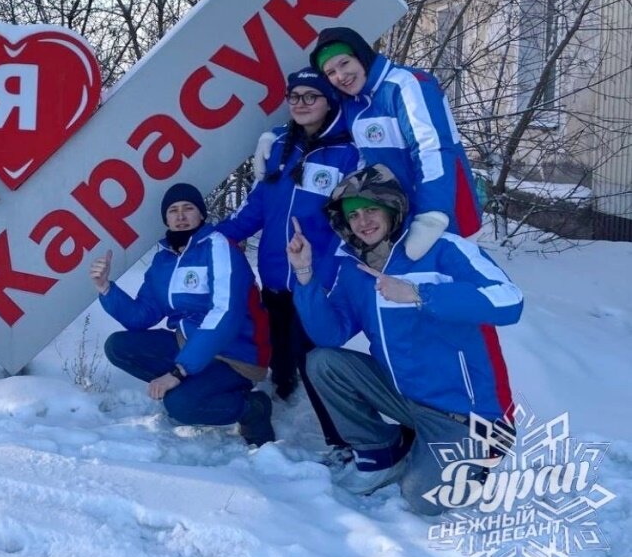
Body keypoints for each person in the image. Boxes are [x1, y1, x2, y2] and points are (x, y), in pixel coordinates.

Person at [287, 164, 522, 514]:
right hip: (406, 400)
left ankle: (476, 457)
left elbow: (510, 301)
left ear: (391, 208)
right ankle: (382, 451)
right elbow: (329, 334)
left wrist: (419, 294)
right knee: (321, 362)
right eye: (353, 215)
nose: (363, 221)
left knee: (421, 499)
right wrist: (304, 274)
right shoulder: (356, 268)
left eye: (371, 209)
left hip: (467, 414)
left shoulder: (443, 248)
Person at [217, 67, 359, 462]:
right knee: (280, 343)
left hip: (317, 277)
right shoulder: (280, 145)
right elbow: (258, 206)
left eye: (309, 96)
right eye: (293, 97)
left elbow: (357, 222)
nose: (300, 104)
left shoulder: (350, 151)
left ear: (329, 100)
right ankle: (282, 392)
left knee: (314, 358)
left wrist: (327, 273)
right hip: (275, 273)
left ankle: (342, 441)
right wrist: (215, 236)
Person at [89, 183, 274, 446]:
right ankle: (197, 384)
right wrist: (106, 288)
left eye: (189, 208)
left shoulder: (219, 248)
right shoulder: (164, 259)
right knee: (119, 347)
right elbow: (141, 315)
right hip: (189, 344)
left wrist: (178, 372)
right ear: (166, 218)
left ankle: (251, 407)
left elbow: (226, 315)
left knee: (180, 406)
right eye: (173, 210)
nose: (181, 216)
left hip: (236, 355)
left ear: (201, 215)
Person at [309, 27, 482, 262]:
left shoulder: (407, 84)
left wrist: (432, 214)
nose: (340, 75)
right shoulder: (354, 102)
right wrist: (275, 138)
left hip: (445, 212)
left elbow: (432, 149)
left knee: (452, 289)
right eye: (330, 72)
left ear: (361, 55)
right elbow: (316, 125)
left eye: (344, 63)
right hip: (400, 217)